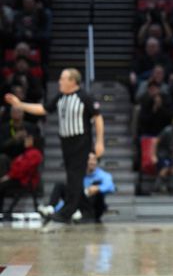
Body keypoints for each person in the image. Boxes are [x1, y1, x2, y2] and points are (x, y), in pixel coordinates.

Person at [4, 68, 104, 232]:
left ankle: (66, 212)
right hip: (66, 142)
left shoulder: (84, 97)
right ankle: (81, 211)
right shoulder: (61, 96)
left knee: (74, 177)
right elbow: (43, 109)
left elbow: (98, 118)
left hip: (81, 142)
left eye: (63, 79)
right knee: (72, 177)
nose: (59, 81)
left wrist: (100, 142)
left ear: (73, 81)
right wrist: (20, 104)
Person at [39, 152, 116, 223]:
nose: (92, 162)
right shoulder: (80, 175)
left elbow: (111, 187)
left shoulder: (103, 175)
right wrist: (57, 210)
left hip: (94, 207)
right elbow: (72, 194)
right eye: (90, 160)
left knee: (96, 184)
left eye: (94, 160)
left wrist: (98, 188)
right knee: (62, 186)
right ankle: (51, 208)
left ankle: (84, 214)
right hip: (80, 202)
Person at [0, 133, 42, 219]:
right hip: (19, 178)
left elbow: (23, 169)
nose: (25, 141)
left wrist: (9, 176)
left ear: (34, 142)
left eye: (28, 140)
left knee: (2, 185)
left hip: (25, 181)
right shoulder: (26, 153)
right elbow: (16, 166)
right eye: (25, 139)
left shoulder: (35, 153)